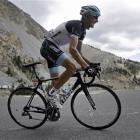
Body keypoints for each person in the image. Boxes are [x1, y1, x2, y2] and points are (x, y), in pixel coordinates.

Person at [40, 5, 101, 108]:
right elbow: (72, 50)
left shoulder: (83, 32)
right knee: (71, 67)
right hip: (48, 46)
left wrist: (90, 64)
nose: (97, 20)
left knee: (56, 83)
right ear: (87, 16)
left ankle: (49, 109)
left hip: (52, 48)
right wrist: (86, 67)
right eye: (95, 17)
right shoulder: (77, 25)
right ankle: (51, 95)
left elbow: (78, 52)